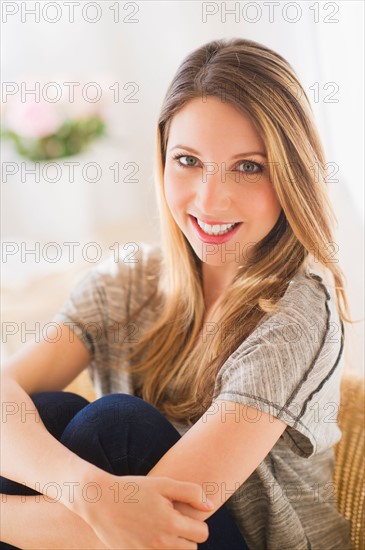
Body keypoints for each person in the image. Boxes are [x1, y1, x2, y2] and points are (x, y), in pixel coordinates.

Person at [0, 37, 353, 550]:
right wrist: (87, 490)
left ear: (291, 174)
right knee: (46, 414)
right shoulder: (127, 281)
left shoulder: (297, 314)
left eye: (249, 166)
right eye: (188, 160)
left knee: (116, 426)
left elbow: (162, 523)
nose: (210, 199)